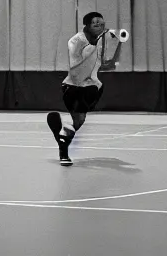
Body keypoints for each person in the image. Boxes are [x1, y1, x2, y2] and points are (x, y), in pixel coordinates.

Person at [47, 11, 117, 166]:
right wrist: (94, 47)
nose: (100, 26)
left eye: (101, 23)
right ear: (87, 25)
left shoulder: (98, 43)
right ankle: (63, 152)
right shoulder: (76, 41)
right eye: (96, 23)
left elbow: (99, 64)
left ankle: (60, 138)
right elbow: (76, 66)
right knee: (78, 120)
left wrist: (109, 63)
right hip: (74, 87)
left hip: (92, 87)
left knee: (79, 120)